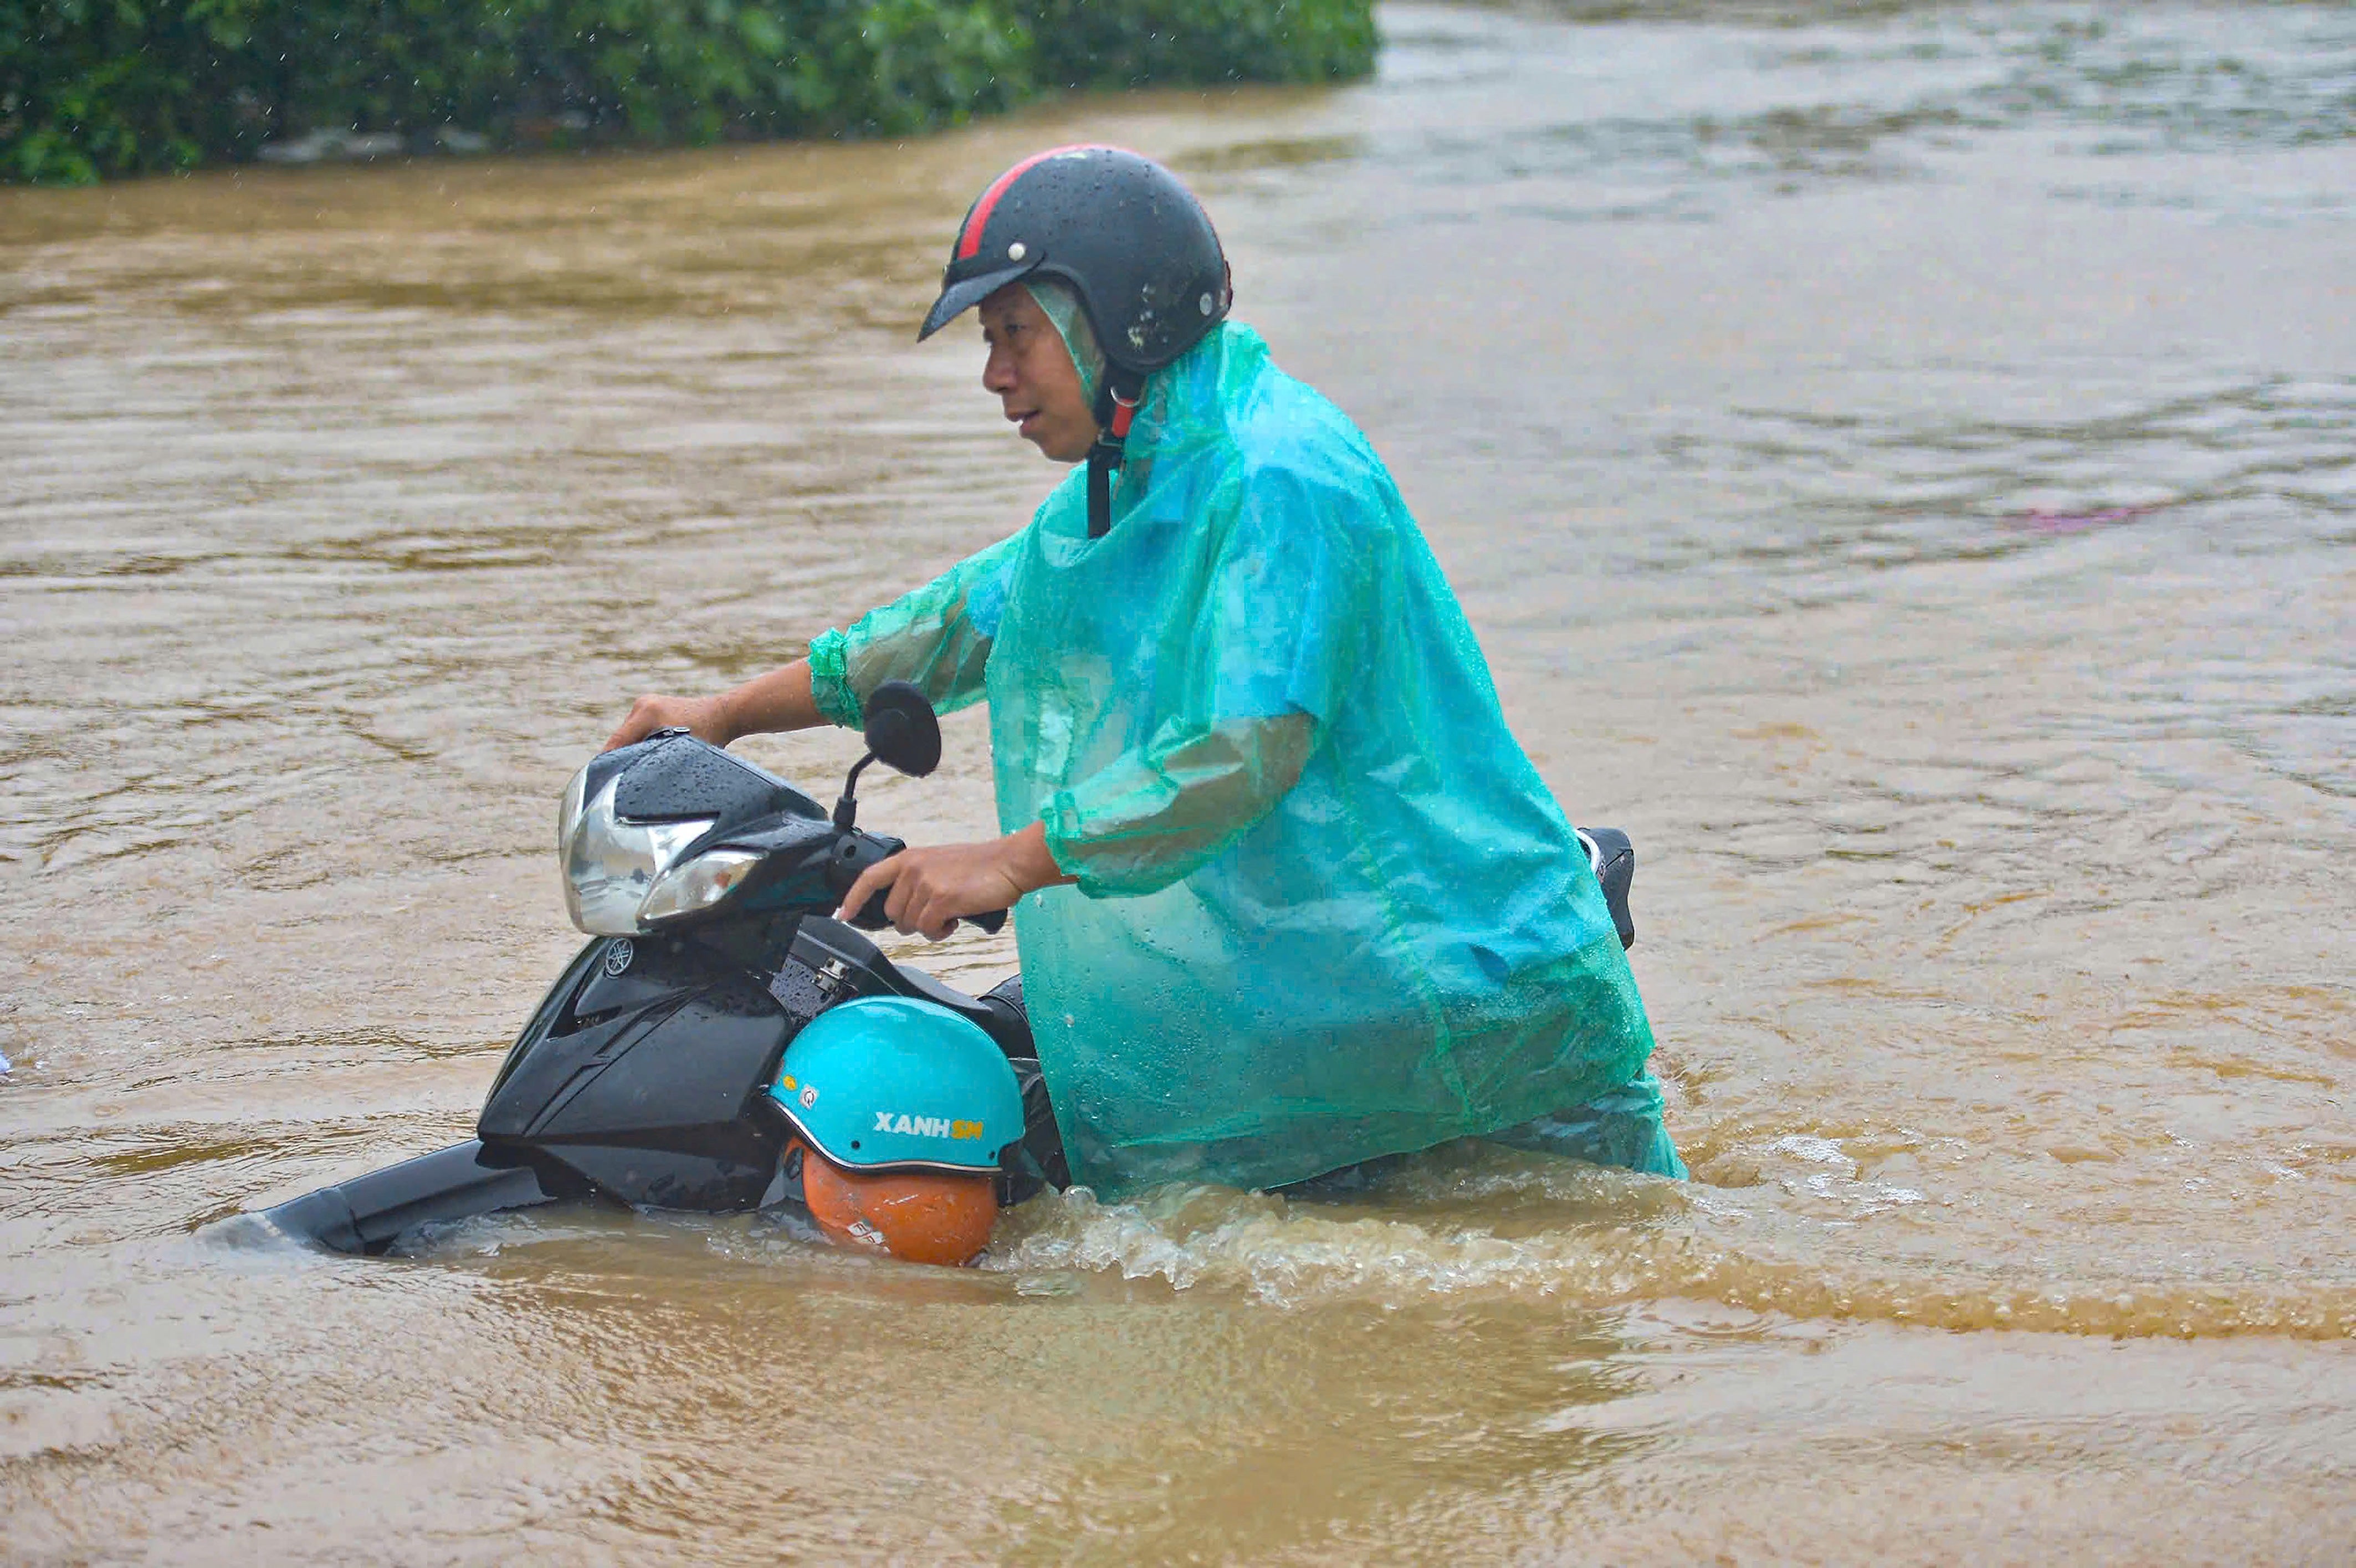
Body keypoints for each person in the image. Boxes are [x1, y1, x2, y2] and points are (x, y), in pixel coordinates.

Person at [606, 145, 1687, 1198]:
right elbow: (957, 622)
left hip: (1446, 1001)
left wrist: (1015, 858)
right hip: (1320, 983)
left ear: (1122, 317)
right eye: (989, 340)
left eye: (1015, 334)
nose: (992, 375)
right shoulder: (1135, 483)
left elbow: (1243, 750)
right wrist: (724, 714)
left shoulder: (1281, 473)